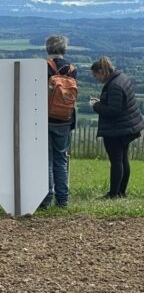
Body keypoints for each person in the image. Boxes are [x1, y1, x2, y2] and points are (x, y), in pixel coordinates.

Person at [90, 57, 144, 199]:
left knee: (116, 161)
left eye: (95, 75)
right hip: (127, 126)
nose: (95, 78)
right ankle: (121, 192)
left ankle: (113, 194)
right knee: (123, 159)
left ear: (102, 71)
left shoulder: (114, 85)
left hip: (117, 129)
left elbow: (114, 110)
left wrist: (96, 105)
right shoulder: (121, 77)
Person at [44, 35, 77, 208]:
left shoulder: (44, 66)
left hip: (46, 119)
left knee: (47, 160)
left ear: (48, 48)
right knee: (61, 159)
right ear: (64, 49)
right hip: (65, 119)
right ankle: (62, 200)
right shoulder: (72, 69)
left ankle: (47, 197)